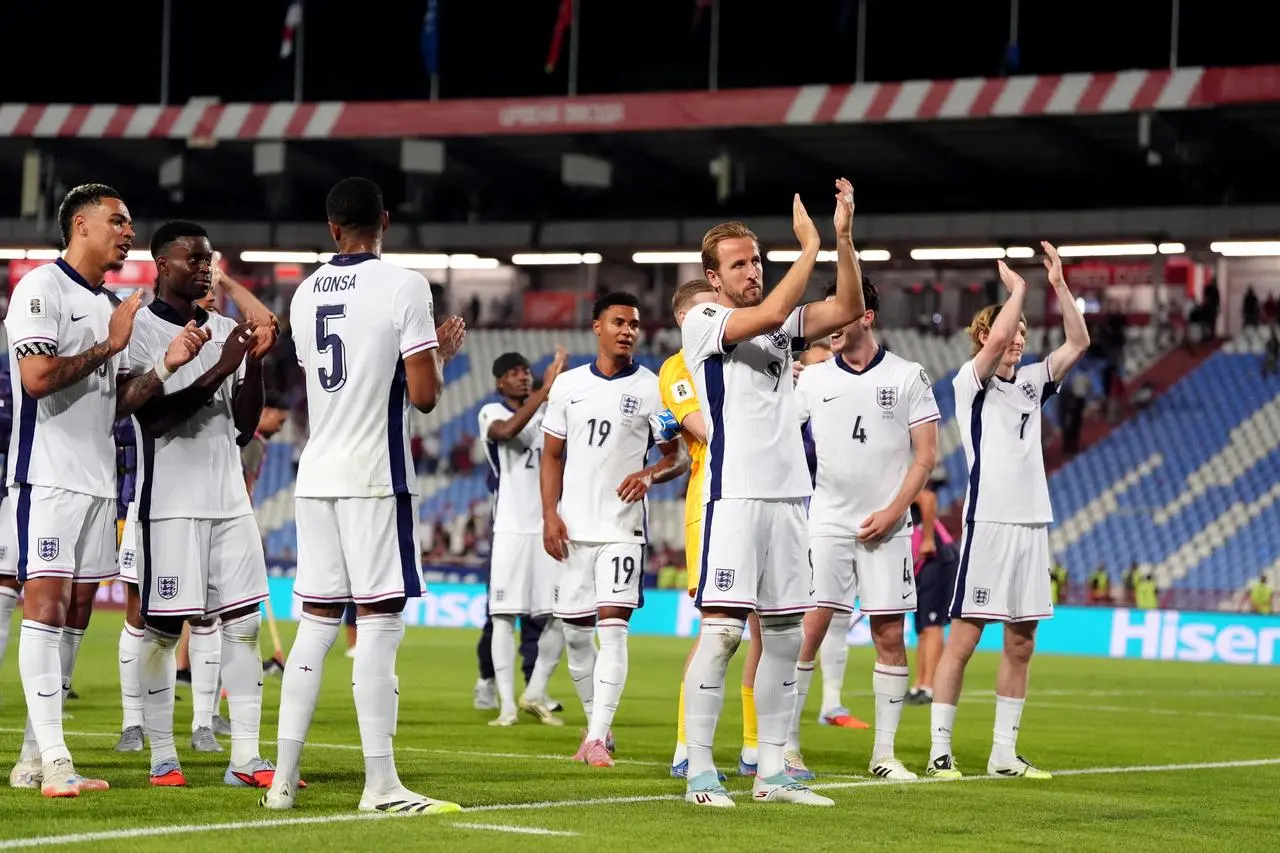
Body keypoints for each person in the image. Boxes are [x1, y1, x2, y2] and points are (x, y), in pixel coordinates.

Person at [260, 177, 466, 814]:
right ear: (385, 220)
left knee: (315, 628)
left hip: (316, 471)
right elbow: (425, 396)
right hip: (376, 475)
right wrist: (443, 354)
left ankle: (282, 784)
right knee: (379, 625)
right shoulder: (404, 285)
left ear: (331, 228)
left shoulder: (303, 294)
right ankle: (380, 785)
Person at [6, 184, 208, 797]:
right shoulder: (42, 288)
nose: (128, 232)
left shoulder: (112, 303)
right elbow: (38, 379)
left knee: (73, 615)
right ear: (81, 226)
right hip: (46, 475)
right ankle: (60, 763)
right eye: (118, 221)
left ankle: (33, 757)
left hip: (98, 482)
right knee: (41, 609)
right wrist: (110, 346)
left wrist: (165, 366)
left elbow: (114, 404)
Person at [679, 181, 864, 808]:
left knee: (783, 637)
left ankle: (773, 774)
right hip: (734, 499)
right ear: (714, 276)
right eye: (740, 263)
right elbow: (763, 317)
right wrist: (805, 248)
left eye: (757, 260)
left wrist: (841, 240)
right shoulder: (705, 321)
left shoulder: (780, 319)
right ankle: (701, 771)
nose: (753, 271)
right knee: (725, 634)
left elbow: (846, 308)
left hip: (791, 499)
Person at [123, 220, 280, 788]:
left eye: (208, 259)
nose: (205, 268)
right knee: (164, 631)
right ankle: (163, 756)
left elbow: (242, 426)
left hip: (228, 499)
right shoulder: (138, 328)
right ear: (162, 264)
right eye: (193, 259)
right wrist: (220, 365)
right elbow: (153, 416)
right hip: (169, 502)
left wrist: (253, 362)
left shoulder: (222, 326)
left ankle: (246, 759)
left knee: (244, 626)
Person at [927, 241, 1089, 781]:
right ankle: (940, 751)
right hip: (988, 523)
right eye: (1010, 334)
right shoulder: (967, 385)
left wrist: (1058, 284)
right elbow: (997, 334)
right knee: (966, 639)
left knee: (1022, 642)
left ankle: (1003, 754)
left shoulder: (1033, 382)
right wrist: (1018, 290)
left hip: (1030, 525)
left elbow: (1079, 340)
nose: (1017, 341)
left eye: (1023, 335)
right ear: (983, 339)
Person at [788, 277, 939, 781]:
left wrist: (896, 511)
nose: (830, 323)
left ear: (866, 317)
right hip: (827, 521)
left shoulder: (908, 375)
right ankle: (786, 746)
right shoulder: (811, 379)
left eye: (841, 312)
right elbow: (778, 434)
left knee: (889, 634)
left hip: (889, 527)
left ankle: (884, 754)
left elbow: (926, 456)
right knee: (809, 628)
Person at [541, 291, 686, 766]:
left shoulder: (652, 388)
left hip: (622, 529)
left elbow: (676, 456)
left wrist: (649, 475)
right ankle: (595, 723)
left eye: (634, 324)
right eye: (619, 322)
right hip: (573, 528)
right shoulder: (566, 386)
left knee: (613, 630)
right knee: (576, 636)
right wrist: (549, 514)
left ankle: (599, 736)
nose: (628, 330)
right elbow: (552, 455)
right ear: (596, 327)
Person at [662, 278, 767, 779]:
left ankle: (754, 749)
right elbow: (704, 428)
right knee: (718, 631)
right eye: (707, 310)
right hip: (713, 499)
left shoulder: (744, 353)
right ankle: (687, 749)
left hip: (761, 496)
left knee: (770, 628)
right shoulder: (677, 368)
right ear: (687, 320)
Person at [478, 348, 569, 726]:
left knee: (562, 617)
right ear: (500, 382)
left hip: (551, 526)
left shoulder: (552, 413)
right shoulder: (492, 412)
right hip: (512, 529)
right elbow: (508, 432)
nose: (523, 376)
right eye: (514, 372)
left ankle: (535, 692)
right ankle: (506, 706)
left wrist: (551, 395)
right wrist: (545, 390)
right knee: (503, 618)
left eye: (526, 371)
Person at [906, 486, 958, 705]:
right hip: (919, 565)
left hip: (937, 559)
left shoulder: (898, 482)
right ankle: (919, 684)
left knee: (932, 625)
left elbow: (927, 498)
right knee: (921, 629)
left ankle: (929, 686)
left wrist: (928, 538)